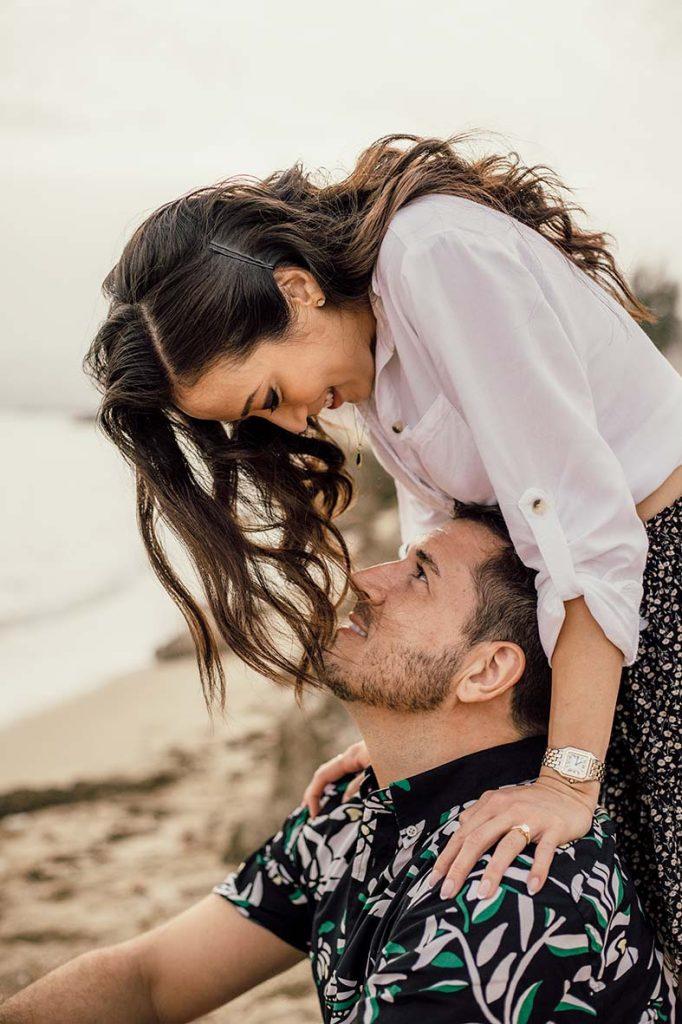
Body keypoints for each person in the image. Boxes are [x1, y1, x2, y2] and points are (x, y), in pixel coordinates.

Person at [82, 131, 682, 976]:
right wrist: (416, 732)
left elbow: (589, 537)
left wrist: (568, 781)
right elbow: (447, 535)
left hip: (659, 583)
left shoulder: (435, 259)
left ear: (296, 290)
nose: (291, 423)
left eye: (269, 395)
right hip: (595, 613)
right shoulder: (368, 349)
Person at [1, 506, 676, 1022]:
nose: (365, 579)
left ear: (487, 670)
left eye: (419, 576)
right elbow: (149, 979)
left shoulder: (508, 879)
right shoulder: (360, 803)